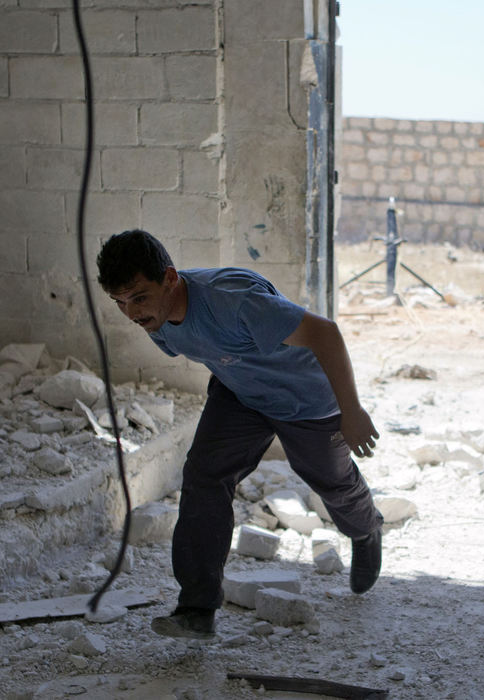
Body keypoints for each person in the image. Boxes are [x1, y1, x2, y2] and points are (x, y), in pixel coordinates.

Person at [96, 229, 383, 640]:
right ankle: (196, 609)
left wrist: (351, 411)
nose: (131, 313)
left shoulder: (234, 301)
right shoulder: (155, 320)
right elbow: (219, 351)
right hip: (242, 395)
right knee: (204, 475)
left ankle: (366, 528)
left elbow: (325, 333)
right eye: (119, 302)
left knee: (330, 480)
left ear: (171, 278)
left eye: (139, 297)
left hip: (307, 401)